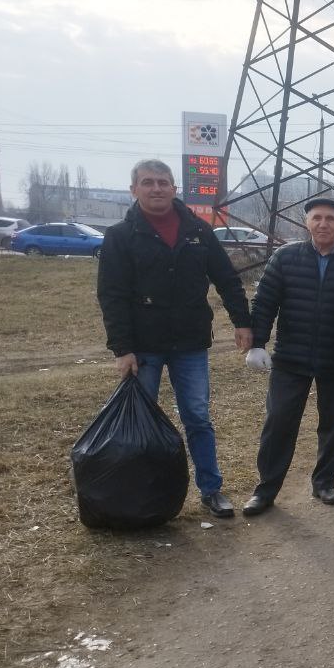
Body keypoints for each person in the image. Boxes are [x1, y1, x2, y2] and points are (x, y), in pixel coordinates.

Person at [96, 159, 252, 519]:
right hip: (143, 347)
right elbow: (112, 295)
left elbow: (227, 279)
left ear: (174, 189)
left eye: (163, 182)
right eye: (148, 182)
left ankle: (211, 490)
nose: (156, 189)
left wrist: (242, 322)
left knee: (197, 417)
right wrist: (122, 348)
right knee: (142, 421)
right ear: (133, 189)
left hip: (190, 343)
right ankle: (142, 494)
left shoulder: (198, 230)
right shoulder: (120, 236)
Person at [240, 197, 334, 516]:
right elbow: (264, 302)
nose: (323, 224)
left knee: (332, 424)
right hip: (291, 359)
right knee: (279, 422)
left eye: (330, 219)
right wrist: (258, 344)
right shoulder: (286, 257)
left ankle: (324, 484)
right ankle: (265, 490)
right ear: (307, 223)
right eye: (317, 218)